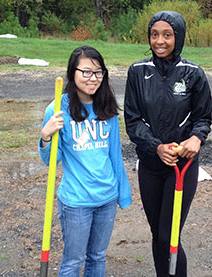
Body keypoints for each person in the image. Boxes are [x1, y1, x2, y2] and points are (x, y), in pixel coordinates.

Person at [123, 11, 212, 276]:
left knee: (169, 234)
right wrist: (155, 147)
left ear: (179, 37)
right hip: (151, 164)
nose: (159, 41)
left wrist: (196, 139)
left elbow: (203, 118)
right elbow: (133, 120)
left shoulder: (193, 73)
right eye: (154, 34)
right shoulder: (137, 72)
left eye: (167, 35)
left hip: (181, 166)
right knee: (157, 235)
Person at [39, 45, 132, 276]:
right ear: (73, 73)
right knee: (73, 261)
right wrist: (46, 136)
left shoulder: (106, 107)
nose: (93, 78)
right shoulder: (58, 109)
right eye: (86, 72)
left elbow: (114, 155)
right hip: (77, 202)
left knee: (98, 257)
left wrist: (122, 192)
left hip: (106, 198)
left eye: (99, 72)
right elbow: (52, 161)